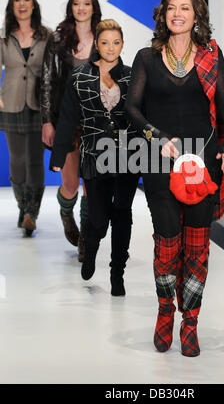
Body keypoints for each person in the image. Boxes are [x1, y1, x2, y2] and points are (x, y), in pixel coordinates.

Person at [125, 0, 224, 357]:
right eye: (171, 7)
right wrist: (157, 135)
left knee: (196, 248)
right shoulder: (146, 57)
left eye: (185, 8)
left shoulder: (210, 55)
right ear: (163, 14)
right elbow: (132, 109)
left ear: (196, 15)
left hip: (202, 163)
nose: (177, 13)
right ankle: (164, 313)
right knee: (168, 242)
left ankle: (191, 323)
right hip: (159, 161)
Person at [49, 19, 139, 296]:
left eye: (116, 42)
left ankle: (117, 274)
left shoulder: (133, 76)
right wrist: (60, 155)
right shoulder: (80, 77)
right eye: (104, 42)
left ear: (122, 44)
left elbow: (144, 114)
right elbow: (67, 118)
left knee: (122, 213)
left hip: (126, 153)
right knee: (98, 219)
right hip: (94, 153)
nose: (110, 48)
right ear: (96, 46)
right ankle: (90, 252)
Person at [40, 0, 101, 261]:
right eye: (76, 3)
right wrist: (47, 122)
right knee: (71, 184)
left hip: (96, 121)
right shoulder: (58, 39)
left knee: (92, 184)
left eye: (86, 3)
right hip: (66, 120)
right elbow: (47, 81)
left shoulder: (104, 37)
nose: (81, 8)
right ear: (71, 7)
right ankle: (66, 212)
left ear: (93, 7)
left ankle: (86, 242)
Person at [0, 0, 50, 236]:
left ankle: (33, 212)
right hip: (10, 104)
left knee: (35, 160)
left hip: (39, 105)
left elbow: (53, 71)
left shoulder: (46, 35)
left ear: (34, 5)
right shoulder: (3, 36)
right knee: (17, 161)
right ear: (11, 5)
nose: (22, 3)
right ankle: (23, 206)